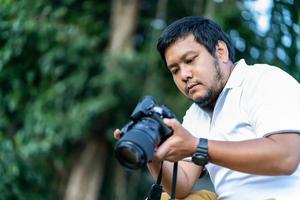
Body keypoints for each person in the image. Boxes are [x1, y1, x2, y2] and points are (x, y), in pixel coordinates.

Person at [114, 16, 300, 200]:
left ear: (221, 51)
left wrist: (197, 146)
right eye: (175, 70)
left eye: (190, 60)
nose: (184, 75)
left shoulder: (263, 80)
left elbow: (286, 157)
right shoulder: (195, 114)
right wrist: (152, 151)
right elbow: (181, 186)